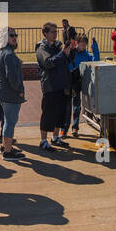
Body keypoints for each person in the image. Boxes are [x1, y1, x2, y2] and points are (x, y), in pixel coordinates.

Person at [37, 23, 76, 151]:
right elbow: (48, 63)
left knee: (60, 114)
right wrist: (62, 53)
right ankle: (43, 140)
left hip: (62, 85)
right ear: (45, 34)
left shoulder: (58, 46)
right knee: (48, 114)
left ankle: (55, 137)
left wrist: (72, 49)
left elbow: (67, 60)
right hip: (50, 86)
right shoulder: (42, 48)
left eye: (56, 32)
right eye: (52, 32)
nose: (55, 34)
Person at [0, 29, 26, 157]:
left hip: (0, 91)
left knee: (7, 120)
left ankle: (5, 146)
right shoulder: (8, 53)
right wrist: (20, 90)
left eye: (15, 35)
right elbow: (12, 77)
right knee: (10, 121)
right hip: (10, 92)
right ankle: (8, 152)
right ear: (4, 37)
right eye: (11, 35)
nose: (15, 37)